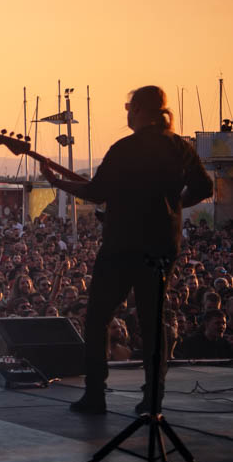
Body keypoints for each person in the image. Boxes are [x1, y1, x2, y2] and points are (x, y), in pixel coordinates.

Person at [42, 86, 212, 414]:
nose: (126, 113)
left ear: (137, 110)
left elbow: (96, 191)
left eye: (127, 107)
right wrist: (173, 208)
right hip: (163, 246)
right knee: (152, 321)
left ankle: (95, 394)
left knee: (98, 318)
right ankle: (153, 398)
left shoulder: (125, 148)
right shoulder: (180, 147)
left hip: (122, 246)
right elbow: (203, 186)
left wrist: (56, 180)